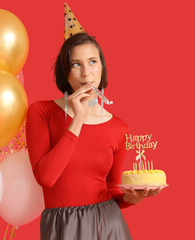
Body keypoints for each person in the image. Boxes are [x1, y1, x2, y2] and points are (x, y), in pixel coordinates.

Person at [26, 32, 162, 240]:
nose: (86, 73)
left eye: (92, 62)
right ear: (66, 72)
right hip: (63, 227)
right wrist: (78, 118)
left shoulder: (119, 128)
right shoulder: (41, 112)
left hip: (108, 225)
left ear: (102, 68)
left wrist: (131, 198)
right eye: (76, 64)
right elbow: (46, 177)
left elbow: (111, 189)